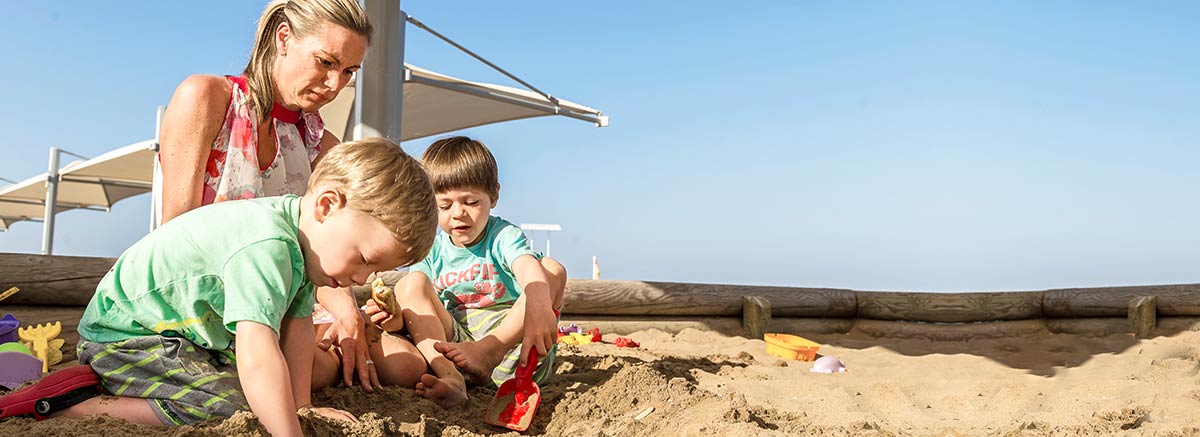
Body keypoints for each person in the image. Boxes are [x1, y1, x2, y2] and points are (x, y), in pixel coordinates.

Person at [0, 138, 438, 435]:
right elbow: (258, 348)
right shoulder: (267, 244)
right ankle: (71, 404)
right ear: (327, 205)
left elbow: (298, 329)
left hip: (180, 338)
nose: (361, 279)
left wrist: (300, 408)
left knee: (267, 393)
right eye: (364, 258)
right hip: (129, 338)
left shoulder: (303, 245)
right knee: (232, 405)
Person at [157, 0, 379, 390]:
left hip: (282, 307)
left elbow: (323, 251)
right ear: (283, 38)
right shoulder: (206, 98)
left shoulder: (321, 144)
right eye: (326, 62)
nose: (335, 85)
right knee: (311, 371)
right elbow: (175, 237)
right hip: (203, 303)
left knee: (390, 361)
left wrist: (349, 314)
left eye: (348, 72)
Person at [363, 136, 567, 407]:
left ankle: (488, 350)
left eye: (471, 202)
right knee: (409, 284)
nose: (458, 214)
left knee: (550, 269)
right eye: (445, 206)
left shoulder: (500, 236)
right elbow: (420, 313)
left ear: (493, 195)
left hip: (514, 350)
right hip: (457, 352)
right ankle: (451, 379)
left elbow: (525, 265)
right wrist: (396, 319)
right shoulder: (432, 249)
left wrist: (540, 299)